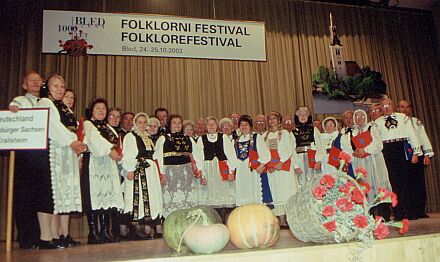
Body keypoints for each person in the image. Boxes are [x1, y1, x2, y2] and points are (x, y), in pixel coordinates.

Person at [35, 74, 86, 249]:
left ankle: (56, 235)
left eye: (62, 86)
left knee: (57, 197)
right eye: (55, 86)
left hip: (65, 152)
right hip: (51, 153)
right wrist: (71, 142)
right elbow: (53, 127)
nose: (59, 89)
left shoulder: (63, 107)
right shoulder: (44, 103)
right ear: (47, 88)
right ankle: (45, 236)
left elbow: (72, 130)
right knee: (48, 195)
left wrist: (77, 144)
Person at [81, 98, 124, 244]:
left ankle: (105, 231)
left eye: (103, 109)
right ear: (92, 110)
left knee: (107, 196)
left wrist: (117, 153)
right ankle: (93, 233)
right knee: (94, 196)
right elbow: (96, 141)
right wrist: (111, 151)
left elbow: (116, 143)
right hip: (94, 162)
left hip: (108, 164)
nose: (101, 111)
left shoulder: (107, 127)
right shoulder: (88, 124)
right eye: (98, 108)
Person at [8, 71, 42, 249]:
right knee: (25, 197)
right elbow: (12, 108)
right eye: (32, 80)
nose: (36, 83)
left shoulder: (46, 102)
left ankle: (40, 236)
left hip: (42, 155)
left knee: (39, 197)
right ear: (24, 85)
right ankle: (26, 238)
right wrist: (13, 109)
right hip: (26, 154)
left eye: (38, 80)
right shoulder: (20, 101)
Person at [375, 98, 422, 221]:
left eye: (389, 105)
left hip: (402, 148)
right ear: (380, 108)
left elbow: (412, 134)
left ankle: (411, 212)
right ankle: (399, 213)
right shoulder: (377, 122)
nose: (386, 107)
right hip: (387, 151)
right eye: (383, 105)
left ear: (393, 105)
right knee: (393, 183)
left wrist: (416, 152)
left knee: (407, 181)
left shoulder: (403, 118)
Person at [341, 109, 392, 220]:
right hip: (360, 162)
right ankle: (369, 215)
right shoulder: (351, 133)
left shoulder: (372, 128)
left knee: (378, 185)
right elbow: (347, 149)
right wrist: (354, 153)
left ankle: (383, 214)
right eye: (357, 117)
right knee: (364, 187)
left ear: (366, 118)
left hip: (373, 160)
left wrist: (366, 150)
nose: (360, 119)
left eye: (362, 117)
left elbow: (378, 144)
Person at [122, 113, 164, 239]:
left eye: (144, 122)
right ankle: (137, 227)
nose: (142, 124)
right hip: (138, 169)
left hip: (150, 170)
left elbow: (153, 155)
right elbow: (128, 153)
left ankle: (149, 225)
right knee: (139, 197)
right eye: (139, 122)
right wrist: (129, 169)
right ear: (135, 123)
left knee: (150, 197)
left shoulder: (148, 137)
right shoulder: (131, 136)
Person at [153, 114, 200, 217]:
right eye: (174, 123)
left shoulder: (188, 139)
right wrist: (161, 173)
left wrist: (199, 170)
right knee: (171, 198)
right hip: (170, 172)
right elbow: (158, 157)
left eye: (179, 123)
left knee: (187, 198)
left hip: (186, 173)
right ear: (169, 125)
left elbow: (197, 155)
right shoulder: (163, 139)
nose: (177, 125)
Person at [196, 116, 238, 223]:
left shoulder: (223, 137)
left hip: (222, 170)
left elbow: (231, 156)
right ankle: (214, 222)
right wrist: (202, 175)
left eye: (213, 124)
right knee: (212, 196)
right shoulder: (201, 139)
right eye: (209, 124)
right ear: (206, 126)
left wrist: (231, 172)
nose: (211, 126)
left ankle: (223, 222)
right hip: (209, 171)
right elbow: (199, 158)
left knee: (223, 195)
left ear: (217, 126)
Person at [397, 100, 434, 219]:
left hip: (418, 154)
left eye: (407, 107)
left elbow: (423, 137)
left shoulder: (416, 122)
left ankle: (420, 210)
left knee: (419, 183)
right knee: (407, 184)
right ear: (398, 108)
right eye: (402, 107)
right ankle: (409, 211)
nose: (405, 110)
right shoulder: (396, 122)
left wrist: (427, 154)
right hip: (404, 156)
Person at [263, 111, 298, 228]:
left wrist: (281, 162)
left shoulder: (285, 133)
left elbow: (289, 149)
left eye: (274, 118)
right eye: (270, 119)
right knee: (276, 192)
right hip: (272, 169)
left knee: (287, 191)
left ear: (279, 121)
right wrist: (269, 165)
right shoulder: (265, 136)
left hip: (283, 167)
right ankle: (280, 219)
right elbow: (263, 152)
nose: (272, 121)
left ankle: (290, 218)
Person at [235, 115, 271, 206]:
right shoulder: (235, 141)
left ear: (250, 126)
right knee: (243, 195)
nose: (244, 127)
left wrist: (261, 165)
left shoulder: (256, 137)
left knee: (255, 194)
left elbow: (266, 154)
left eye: (246, 125)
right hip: (241, 173)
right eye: (241, 125)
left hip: (253, 172)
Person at [292, 107, 324, 186]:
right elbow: (292, 150)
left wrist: (319, 161)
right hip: (299, 160)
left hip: (312, 159)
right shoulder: (293, 132)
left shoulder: (314, 130)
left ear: (308, 117)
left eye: (305, 115)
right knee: (302, 182)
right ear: (297, 117)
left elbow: (319, 146)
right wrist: (295, 166)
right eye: (300, 115)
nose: (303, 117)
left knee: (314, 182)